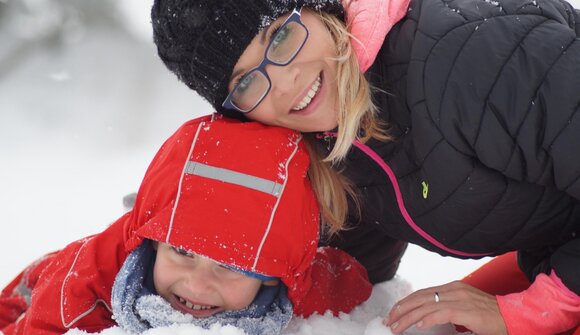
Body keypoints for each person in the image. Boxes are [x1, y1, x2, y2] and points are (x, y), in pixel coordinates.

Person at [150, 0, 580, 334]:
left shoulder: (464, 60)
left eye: (280, 37)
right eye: (245, 82)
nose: (283, 83)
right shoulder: (330, 137)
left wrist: (537, 311)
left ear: (319, 8)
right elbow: (349, 264)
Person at [0, 116, 372, 335]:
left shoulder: (292, 287)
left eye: (229, 266)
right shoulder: (83, 284)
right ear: (156, 243)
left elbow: (344, 282)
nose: (196, 284)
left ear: (273, 277)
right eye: (182, 252)